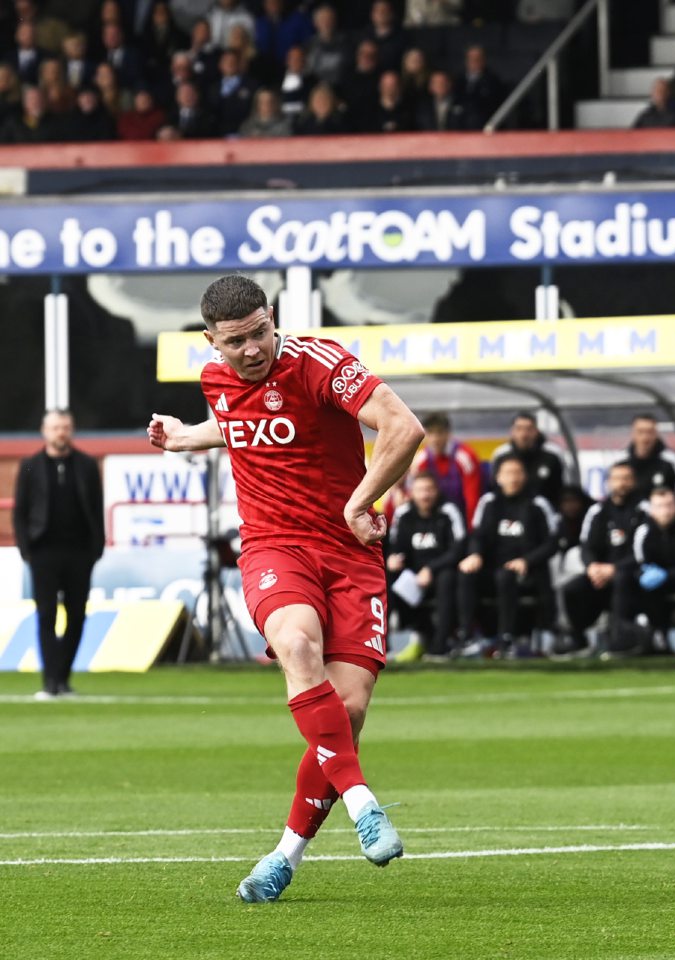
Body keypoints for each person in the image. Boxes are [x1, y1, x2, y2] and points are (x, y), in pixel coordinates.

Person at [148, 274, 423, 901]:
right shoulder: (216, 382)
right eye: (235, 342)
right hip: (275, 548)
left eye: (260, 334)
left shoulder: (320, 363)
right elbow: (240, 425)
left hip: (352, 554)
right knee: (297, 647)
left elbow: (402, 428)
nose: (252, 350)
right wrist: (187, 435)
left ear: (274, 318)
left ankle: (283, 856)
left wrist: (361, 502)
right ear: (212, 342)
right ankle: (363, 803)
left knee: (346, 715)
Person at [13, 410, 105, 701]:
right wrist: (27, 549)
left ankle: (63, 678)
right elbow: (20, 512)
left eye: (65, 427)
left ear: (72, 429)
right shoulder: (31, 466)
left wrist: (96, 548)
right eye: (55, 427)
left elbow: (96, 508)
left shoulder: (87, 465)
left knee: (77, 616)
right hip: (44, 552)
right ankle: (50, 681)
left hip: (79, 552)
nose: (61, 432)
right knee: (46, 616)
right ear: (44, 430)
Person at [456, 457, 559, 658]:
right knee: (465, 574)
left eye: (517, 473)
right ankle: (465, 636)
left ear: (525, 476)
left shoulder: (538, 504)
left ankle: (506, 638)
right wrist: (475, 554)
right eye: (508, 473)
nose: (513, 478)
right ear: (498, 477)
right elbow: (478, 535)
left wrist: (527, 560)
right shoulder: (489, 502)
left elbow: (552, 543)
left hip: (527, 571)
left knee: (505, 576)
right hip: (492, 568)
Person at [561, 461, 643, 655]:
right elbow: (586, 546)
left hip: (633, 572)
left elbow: (644, 550)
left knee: (622, 578)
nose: (621, 483)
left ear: (634, 482)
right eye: (616, 479)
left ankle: (622, 638)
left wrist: (614, 569)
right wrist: (592, 567)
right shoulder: (597, 511)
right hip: (599, 574)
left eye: (626, 479)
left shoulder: (644, 509)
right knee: (571, 589)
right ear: (608, 482)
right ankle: (577, 638)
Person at [385, 471, 466, 659]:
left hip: (441, 571)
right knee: (388, 577)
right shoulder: (403, 514)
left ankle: (440, 645)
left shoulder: (448, 511)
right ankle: (386, 644)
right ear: (412, 492)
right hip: (412, 574)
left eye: (429, 490)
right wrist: (392, 558)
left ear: (437, 491)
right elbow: (395, 545)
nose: (425, 495)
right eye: (420, 490)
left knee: (448, 578)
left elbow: (458, 548)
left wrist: (431, 569)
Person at [615, 486, 675, 647]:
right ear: (651, 510)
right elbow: (640, 561)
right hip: (655, 581)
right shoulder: (643, 531)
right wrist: (646, 573)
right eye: (660, 506)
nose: (666, 511)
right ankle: (637, 635)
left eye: (669, 505)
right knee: (630, 581)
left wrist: (668, 575)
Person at [410, 412, 483, 521]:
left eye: (439, 433)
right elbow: (416, 496)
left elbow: (472, 498)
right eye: (430, 433)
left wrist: (471, 530)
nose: (435, 439)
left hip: (461, 516)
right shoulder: (420, 460)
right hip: (433, 521)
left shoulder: (465, 457)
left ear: (448, 433)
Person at [491, 411, 568, 507]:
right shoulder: (502, 455)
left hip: (544, 514)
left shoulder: (552, 455)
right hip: (510, 514)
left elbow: (562, 489)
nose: (524, 434)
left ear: (536, 431)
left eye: (528, 429)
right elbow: (494, 487)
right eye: (519, 429)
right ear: (512, 431)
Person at [622, 413, 675, 508]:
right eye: (640, 432)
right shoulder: (622, 461)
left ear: (656, 434)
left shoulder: (671, 461)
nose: (645, 438)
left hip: (663, 519)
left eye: (650, 432)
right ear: (633, 433)